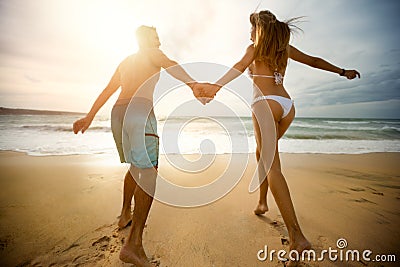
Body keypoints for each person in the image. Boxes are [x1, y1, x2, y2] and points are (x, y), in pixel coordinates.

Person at [197, 10, 360, 265]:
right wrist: (342, 71)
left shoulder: (254, 47)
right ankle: (262, 202)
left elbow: (239, 67)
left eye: (252, 28)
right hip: (286, 105)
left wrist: (215, 87)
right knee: (262, 153)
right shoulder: (284, 48)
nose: (249, 33)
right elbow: (314, 61)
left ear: (259, 29)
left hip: (264, 104)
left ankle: (297, 236)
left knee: (272, 165)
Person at [73, 25, 203, 267]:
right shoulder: (152, 52)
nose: (159, 39)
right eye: (156, 36)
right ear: (148, 38)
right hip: (140, 113)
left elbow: (108, 90)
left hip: (119, 114)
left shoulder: (126, 61)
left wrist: (89, 117)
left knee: (136, 166)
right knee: (149, 172)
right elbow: (172, 64)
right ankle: (133, 246)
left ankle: (124, 215)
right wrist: (192, 83)